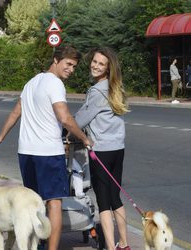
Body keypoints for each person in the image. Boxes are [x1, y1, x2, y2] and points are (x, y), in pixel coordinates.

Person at [0, 46, 93, 250]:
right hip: (48, 153)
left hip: (26, 152)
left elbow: (15, 112)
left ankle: (36, 245)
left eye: (74, 66)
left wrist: (1, 136)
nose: (71, 70)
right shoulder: (55, 84)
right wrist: (84, 138)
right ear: (56, 60)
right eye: (68, 64)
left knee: (35, 202)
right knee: (54, 203)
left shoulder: (31, 82)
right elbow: (64, 118)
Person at [73, 47, 130, 250]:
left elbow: (79, 120)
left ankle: (111, 248)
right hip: (118, 149)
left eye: (101, 64)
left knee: (104, 202)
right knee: (116, 197)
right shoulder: (116, 88)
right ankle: (124, 244)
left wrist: (64, 128)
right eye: (94, 61)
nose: (95, 66)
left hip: (102, 152)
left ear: (107, 69)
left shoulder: (97, 91)